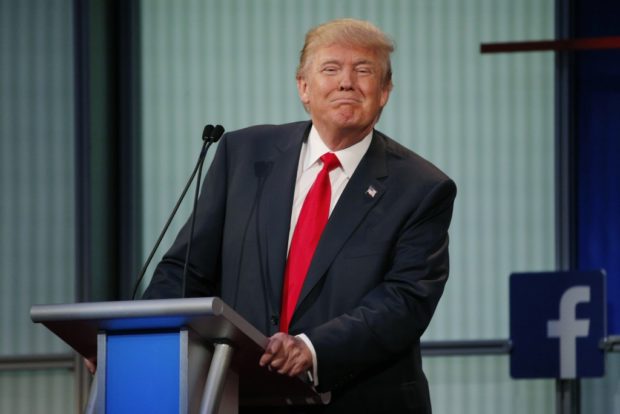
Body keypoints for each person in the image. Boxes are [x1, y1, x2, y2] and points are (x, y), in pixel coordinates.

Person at [143, 18, 456, 413]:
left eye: (364, 70)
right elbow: (186, 270)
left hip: (360, 399)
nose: (346, 82)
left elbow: (406, 300)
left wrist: (311, 348)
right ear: (303, 88)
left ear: (385, 92)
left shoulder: (421, 187)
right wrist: (139, 341)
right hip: (240, 395)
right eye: (330, 69)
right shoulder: (243, 156)